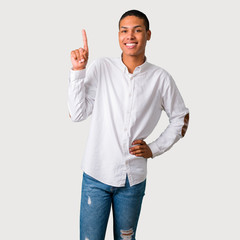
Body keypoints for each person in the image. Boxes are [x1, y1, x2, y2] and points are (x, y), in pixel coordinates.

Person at [68, 9, 189, 240]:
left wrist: (154, 148)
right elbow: (76, 114)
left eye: (137, 30)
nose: (130, 36)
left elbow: (181, 117)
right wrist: (78, 72)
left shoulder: (160, 78)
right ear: (118, 35)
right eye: (124, 31)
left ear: (148, 34)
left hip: (132, 180)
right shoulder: (102, 67)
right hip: (96, 175)